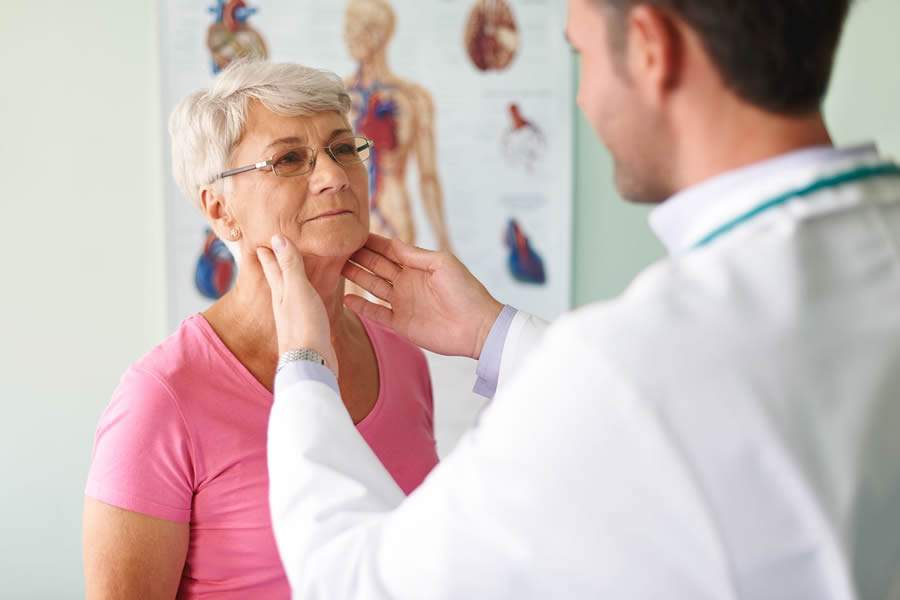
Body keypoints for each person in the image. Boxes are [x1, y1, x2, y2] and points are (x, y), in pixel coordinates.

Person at [260, 0, 900, 598]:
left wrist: (304, 365)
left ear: (649, 46)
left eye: (583, 55)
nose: (584, 97)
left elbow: (353, 581)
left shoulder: (630, 364)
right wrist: (492, 333)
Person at [82, 60, 439, 599]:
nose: (335, 176)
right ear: (221, 210)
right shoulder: (162, 399)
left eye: (344, 148)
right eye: (289, 159)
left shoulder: (403, 358)